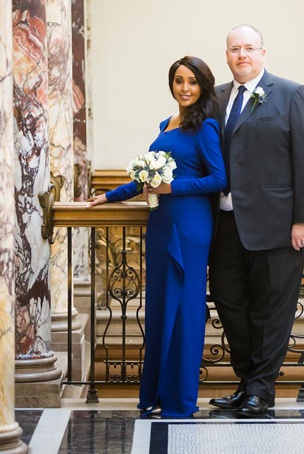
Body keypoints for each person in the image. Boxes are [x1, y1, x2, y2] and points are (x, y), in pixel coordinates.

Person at [86, 56, 226, 418]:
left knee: (185, 309)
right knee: (162, 307)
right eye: (179, 81)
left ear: (203, 86)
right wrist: (106, 196)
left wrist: (172, 187)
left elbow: (218, 179)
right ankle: (158, 395)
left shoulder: (206, 126)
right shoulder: (167, 124)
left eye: (192, 82)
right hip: (161, 223)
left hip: (190, 226)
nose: (184, 88)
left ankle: (180, 400)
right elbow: (144, 181)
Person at [208, 24, 304, 417]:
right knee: (231, 307)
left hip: (276, 226)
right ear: (227, 56)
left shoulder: (291, 94)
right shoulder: (216, 98)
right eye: (234, 49)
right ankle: (246, 382)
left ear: (263, 53)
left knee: (272, 310)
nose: (242, 55)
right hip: (224, 226)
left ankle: (261, 389)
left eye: (249, 48)